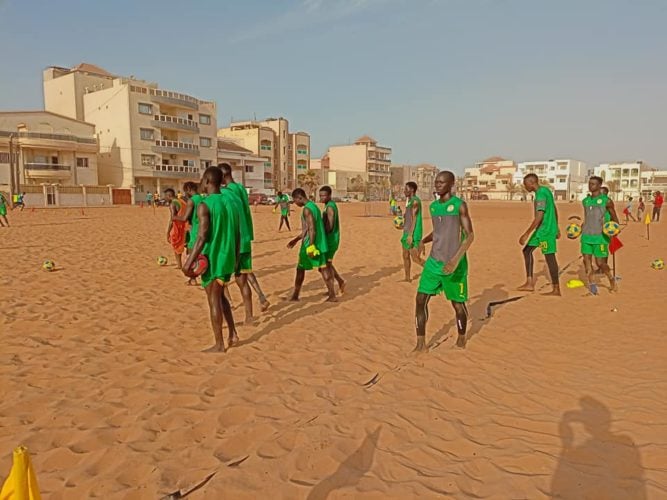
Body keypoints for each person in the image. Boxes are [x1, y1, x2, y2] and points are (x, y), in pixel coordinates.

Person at [415, 171, 474, 352]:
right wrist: (423, 241)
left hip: (454, 264)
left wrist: (455, 261)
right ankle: (420, 344)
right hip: (434, 261)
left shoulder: (459, 205)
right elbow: (439, 232)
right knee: (420, 300)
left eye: (442, 182)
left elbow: (469, 236)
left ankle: (461, 339)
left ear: (451, 184)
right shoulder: (433, 207)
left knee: (457, 304)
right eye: (436, 182)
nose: (438, 185)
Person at [183, 166, 240, 352]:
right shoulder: (231, 202)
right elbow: (238, 233)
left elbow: (202, 236)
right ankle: (233, 333)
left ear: (207, 181)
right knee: (221, 296)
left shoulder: (204, 205)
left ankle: (219, 344)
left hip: (213, 258)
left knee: (214, 300)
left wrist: (188, 263)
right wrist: (236, 258)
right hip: (228, 257)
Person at [219, 162, 271, 315]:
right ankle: (261, 296)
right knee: (246, 271)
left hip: (234, 237)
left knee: (224, 274)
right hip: (244, 234)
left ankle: (230, 303)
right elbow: (245, 212)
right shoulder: (240, 188)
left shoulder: (227, 192)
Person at [287, 188, 336, 301]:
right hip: (319, 243)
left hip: (309, 244)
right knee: (323, 268)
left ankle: (295, 295)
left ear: (299, 197)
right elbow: (308, 228)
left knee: (300, 269)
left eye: (295, 200)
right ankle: (332, 295)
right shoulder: (314, 207)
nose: (295, 203)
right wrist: (295, 240)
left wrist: (311, 246)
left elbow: (312, 229)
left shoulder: (307, 210)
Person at [517, 174, 561, 296]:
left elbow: (539, 216)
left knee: (549, 257)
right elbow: (554, 208)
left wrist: (526, 233)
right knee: (527, 251)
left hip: (545, 231)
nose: (525, 186)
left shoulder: (541, 195)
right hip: (541, 230)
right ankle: (529, 283)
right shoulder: (545, 190)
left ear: (532, 183)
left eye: (526, 184)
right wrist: (557, 226)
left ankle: (556, 288)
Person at [581, 176, 619, 294]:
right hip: (586, 236)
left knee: (600, 263)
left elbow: (615, 218)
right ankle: (593, 288)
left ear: (599, 186)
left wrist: (614, 230)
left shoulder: (606, 201)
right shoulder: (585, 201)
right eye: (589, 183)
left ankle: (611, 279)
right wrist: (580, 228)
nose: (590, 186)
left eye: (593, 184)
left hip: (600, 237)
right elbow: (587, 217)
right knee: (587, 261)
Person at [174, 182, 203, 285]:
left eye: (186, 191)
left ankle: (193, 279)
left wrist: (174, 216)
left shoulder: (192, 201)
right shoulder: (203, 198)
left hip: (195, 231)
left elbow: (184, 218)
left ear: (189, 189)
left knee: (191, 255)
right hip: (203, 229)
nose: (185, 194)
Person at [319, 185, 346, 293]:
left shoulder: (330, 207)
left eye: (324, 196)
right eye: (320, 196)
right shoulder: (328, 205)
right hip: (329, 240)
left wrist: (320, 233)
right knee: (325, 265)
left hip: (330, 241)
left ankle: (333, 290)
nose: (322, 198)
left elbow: (330, 227)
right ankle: (339, 282)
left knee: (324, 266)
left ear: (329, 195)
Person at [401, 182, 424, 282]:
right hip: (407, 231)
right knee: (405, 255)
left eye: (406, 189)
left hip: (413, 233)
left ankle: (436, 273)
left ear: (412, 190)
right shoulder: (409, 202)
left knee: (415, 258)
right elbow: (409, 218)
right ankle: (407, 278)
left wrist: (410, 235)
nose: (404, 191)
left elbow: (414, 219)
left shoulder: (415, 202)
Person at [165, 188, 188, 270]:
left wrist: (168, 232)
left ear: (169, 195)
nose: (165, 198)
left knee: (176, 245)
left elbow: (172, 219)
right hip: (187, 226)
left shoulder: (173, 204)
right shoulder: (182, 201)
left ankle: (179, 265)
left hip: (178, 227)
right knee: (187, 245)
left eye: (166, 196)